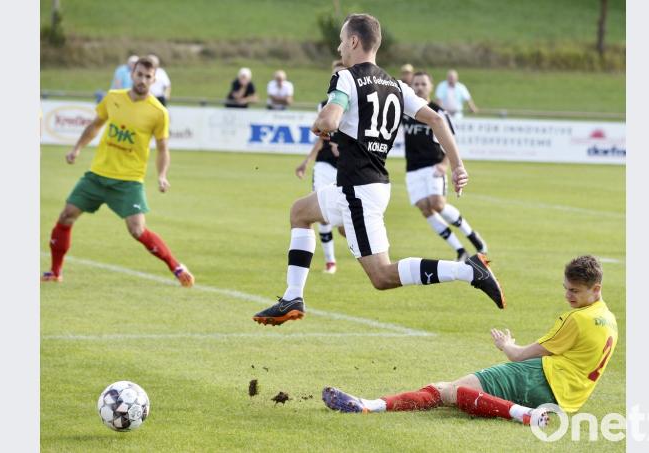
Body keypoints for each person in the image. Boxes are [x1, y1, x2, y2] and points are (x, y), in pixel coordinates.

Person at [253, 13, 505, 327]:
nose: (339, 46)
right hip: (366, 185)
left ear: (355, 41)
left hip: (357, 190)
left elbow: (330, 120)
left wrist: (320, 125)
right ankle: (293, 295)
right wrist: (457, 165)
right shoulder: (397, 86)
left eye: (342, 40)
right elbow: (437, 120)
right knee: (300, 212)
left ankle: (469, 270)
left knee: (382, 275)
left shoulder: (346, 78)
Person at [322, 255, 618, 427]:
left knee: (451, 391)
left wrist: (506, 344)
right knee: (452, 393)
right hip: (569, 399)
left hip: (541, 379)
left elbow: (520, 356)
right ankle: (371, 404)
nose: (568, 296)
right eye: (566, 288)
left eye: (574, 291)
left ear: (596, 288)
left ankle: (370, 406)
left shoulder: (577, 319)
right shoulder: (609, 319)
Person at [41, 56, 195, 287]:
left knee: (137, 230)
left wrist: (162, 175)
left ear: (154, 80)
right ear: (132, 73)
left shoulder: (158, 112)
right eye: (139, 74)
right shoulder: (113, 98)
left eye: (148, 77)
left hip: (128, 181)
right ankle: (55, 272)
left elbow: (163, 148)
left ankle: (176, 266)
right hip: (97, 175)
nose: (143, 80)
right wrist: (77, 148)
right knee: (66, 216)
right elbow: (95, 125)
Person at [402, 71, 487, 262]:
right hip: (412, 168)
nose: (419, 87)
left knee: (437, 204)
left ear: (431, 87)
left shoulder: (437, 112)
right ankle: (459, 250)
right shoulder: (405, 110)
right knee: (425, 208)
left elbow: (451, 141)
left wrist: (444, 164)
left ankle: (473, 236)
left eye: (423, 84)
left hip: (433, 164)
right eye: (416, 84)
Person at [294, 60, 347, 274]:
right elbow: (320, 137)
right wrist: (307, 161)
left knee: (345, 222)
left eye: (341, 74)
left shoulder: (358, 104)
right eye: (335, 75)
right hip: (324, 164)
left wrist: (343, 147)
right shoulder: (325, 104)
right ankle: (330, 261)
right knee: (320, 209)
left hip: (347, 166)